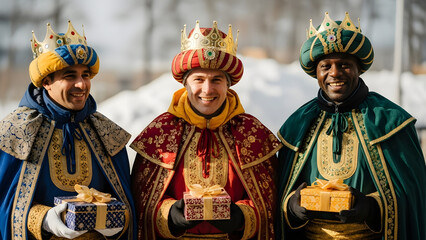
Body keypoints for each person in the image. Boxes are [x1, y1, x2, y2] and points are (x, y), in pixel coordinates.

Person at [276, 12, 426, 240]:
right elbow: (278, 194)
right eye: (325, 65)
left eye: (344, 65)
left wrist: (371, 208)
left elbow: (413, 196)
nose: (334, 73)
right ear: (316, 72)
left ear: (359, 68)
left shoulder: (391, 121)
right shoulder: (297, 124)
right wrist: (292, 209)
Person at [130, 21, 282, 240]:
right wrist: (170, 214)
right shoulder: (159, 133)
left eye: (216, 80)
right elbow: (141, 204)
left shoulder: (253, 134)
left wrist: (241, 216)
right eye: (198, 79)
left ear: (228, 85)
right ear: (185, 84)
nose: (207, 89)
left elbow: (269, 205)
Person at [0, 21, 136, 240]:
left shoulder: (106, 133)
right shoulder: (15, 132)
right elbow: (3, 205)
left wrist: (118, 222)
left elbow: (128, 204)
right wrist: (43, 219)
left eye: (85, 75)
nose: (81, 85)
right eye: (70, 76)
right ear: (46, 82)